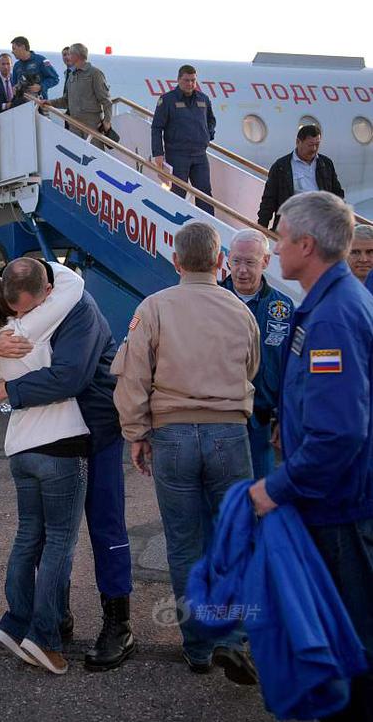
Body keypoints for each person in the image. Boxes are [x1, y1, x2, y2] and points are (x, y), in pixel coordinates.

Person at [0, 261, 136, 673]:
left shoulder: (78, 309)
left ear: (46, 291)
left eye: (24, 309)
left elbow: (69, 377)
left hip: (95, 426)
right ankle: (55, 617)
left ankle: (118, 622)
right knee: (53, 533)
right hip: (53, 436)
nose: (18, 319)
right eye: (12, 310)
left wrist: (5, 389)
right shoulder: (13, 292)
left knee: (103, 524)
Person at [111, 221, 259, 682]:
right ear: (220, 263)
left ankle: (197, 646)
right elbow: (252, 365)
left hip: (172, 435)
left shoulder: (153, 308)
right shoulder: (240, 311)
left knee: (184, 544)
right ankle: (232, 639)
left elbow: (132, 378)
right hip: (229, 435)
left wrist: (136, 432)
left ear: (175, 261)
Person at [249, 191, 373, 721]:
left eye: (279, 238)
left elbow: (339, 434)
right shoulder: (328, 302)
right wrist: (287, 423)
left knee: (353, 639)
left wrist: (274, 487)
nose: (274, 249)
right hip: (334, 500)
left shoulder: (332, 318)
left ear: (306, 244)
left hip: (340, 508)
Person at [221, 229, 293, 480]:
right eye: (236, 261)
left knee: (260, 500)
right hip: (218, 422)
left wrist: (285, 417)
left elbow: (290, 369)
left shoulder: (282, 308)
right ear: (227, 259)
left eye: (250, 262)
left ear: (265, 261)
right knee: (223, 504)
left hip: (261, 424)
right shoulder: (212, 301)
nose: (241, 270)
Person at [151, 65, 217, 215]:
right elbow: (156, 128)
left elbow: (211, 120)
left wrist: (208, 135)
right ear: (179, 80)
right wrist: (158, 153)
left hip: (200, 155)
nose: (190, 84)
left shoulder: (203, 99)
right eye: (186, 80)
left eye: (193, 80)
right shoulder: (167, 100)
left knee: (205, 194)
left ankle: (208, 227)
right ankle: (175, 226)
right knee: (178, 193)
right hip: (177, 155)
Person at [257, 125, 344, 229]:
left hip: (320, 224)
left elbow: (337, 194)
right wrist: (262, 227)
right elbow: (269, 200)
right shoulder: (281, 167)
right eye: (310, 145)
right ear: (298, 142)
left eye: (317, 144)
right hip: (292, 224)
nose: (314, 149)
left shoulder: (326, 164)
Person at [39, 43, 112, 147]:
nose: (67, 57)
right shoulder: (71, 75)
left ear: (76, 56)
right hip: (74, 124)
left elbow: (106, 100)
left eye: (69, 54)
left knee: (95, 157)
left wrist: (107, 121)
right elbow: (66, 100)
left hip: (91, 126)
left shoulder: (94, 73)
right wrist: (50, 102)